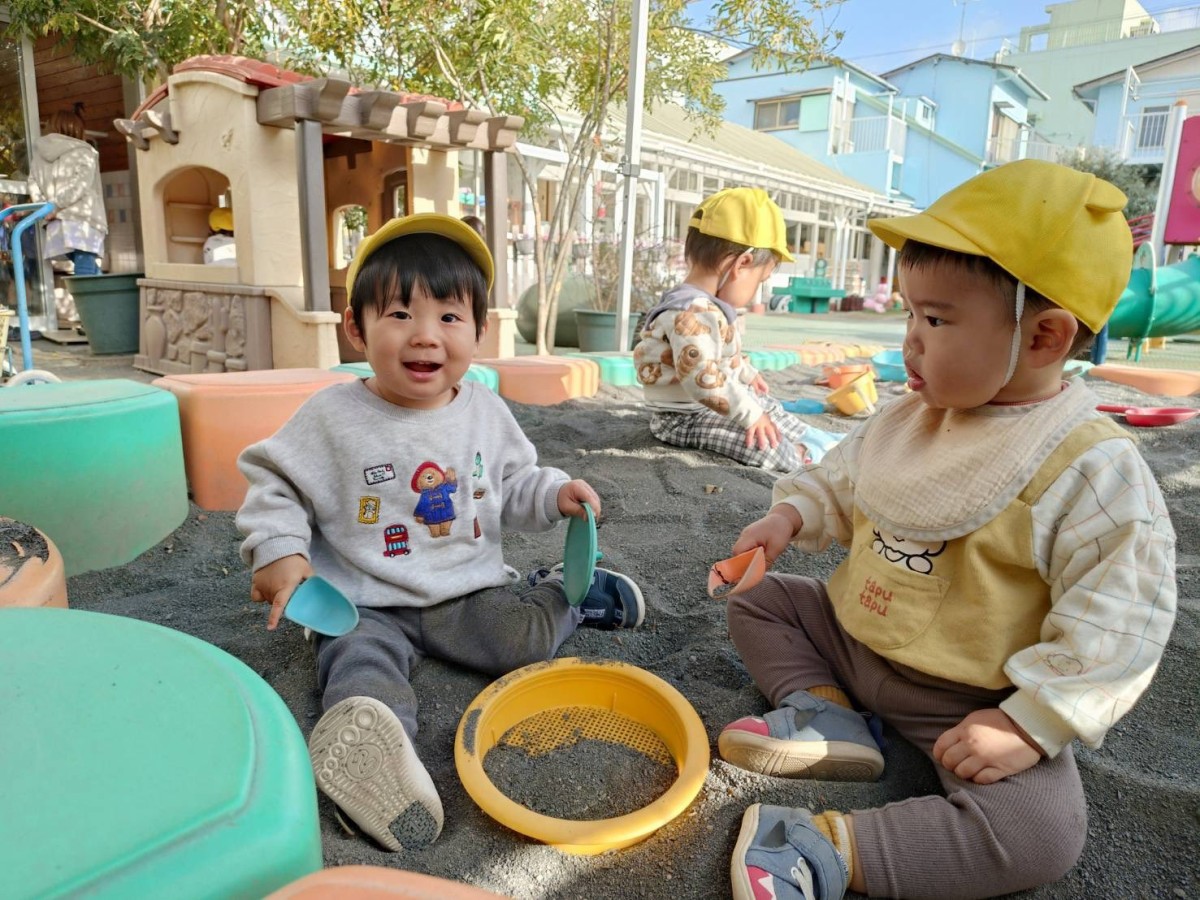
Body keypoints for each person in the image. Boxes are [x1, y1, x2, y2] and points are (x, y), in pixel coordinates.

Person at [719, 160, 1177, 899]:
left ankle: (825, 846)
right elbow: (843, 478)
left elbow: (1120, 617)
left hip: (966, 703)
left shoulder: (1089, 468)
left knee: (1041, 833)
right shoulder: (910, 416)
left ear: (1043, 337)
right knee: (762, 601)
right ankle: (829, 715)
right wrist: (787, 516)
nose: (910, 341)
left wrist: (1029, 723)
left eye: (934, 320)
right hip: (853, 641)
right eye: (908, 314)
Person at [235, 213, 645, 853]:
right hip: (366, 602)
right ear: (355, 327)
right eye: (400, 313)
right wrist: (278, 549)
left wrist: (555, 494)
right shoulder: (331, 416)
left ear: (478, 332)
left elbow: (513, 484)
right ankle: (376, 771)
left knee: (522, 641)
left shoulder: (485, 411)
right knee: (357, 670)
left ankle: (571, 594)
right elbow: (274, 482)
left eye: (449, 317)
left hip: (465, 591)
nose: (425, 335)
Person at [633, 187, 840, 473]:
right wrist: (751, 415)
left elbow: (717, 353)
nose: (755, 293)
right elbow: (701, 376)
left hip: (707, 404)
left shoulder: (703, 305)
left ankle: (812, 437)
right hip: (683, 419)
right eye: (760, 281)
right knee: (758, 441)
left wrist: (745, 372)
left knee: (764, 404)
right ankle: (800, 454)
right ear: (741, 264)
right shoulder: (691, 313)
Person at [27, 105, 107, 276]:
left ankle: (108, 293)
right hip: (81, 218)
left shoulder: (39, 155)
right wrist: (55, 206)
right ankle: (89, 296)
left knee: (88, 266)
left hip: (54, 220)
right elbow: (81, 185)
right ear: (76, 129)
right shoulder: (84, 152)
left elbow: (32, 183)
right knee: (85, 268)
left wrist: (46, 208)